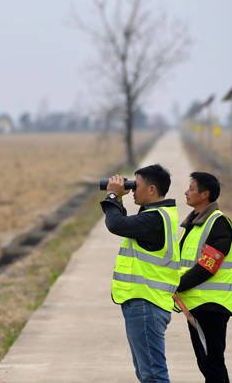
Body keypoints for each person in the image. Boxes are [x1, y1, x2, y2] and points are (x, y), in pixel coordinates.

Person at [101, 164, 181, 383]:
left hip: (147, 303)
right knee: (147, 372)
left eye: (136, 186)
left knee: (152, 374)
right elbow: (126, 224)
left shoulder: (155, 218)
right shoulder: (160, 215)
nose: (133, 190)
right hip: (148, 303)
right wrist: (118, 199)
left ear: (152, 189)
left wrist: (112, 195)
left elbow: (115, 224)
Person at [176, 172, 232, 383]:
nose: (186, 192)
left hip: (211, 307)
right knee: (207, 364)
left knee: (212, 364)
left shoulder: (218, 224)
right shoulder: (194, 224)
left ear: (205, 194)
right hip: (197, 306)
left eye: (191, 188)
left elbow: (207, 267)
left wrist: (175, 285)